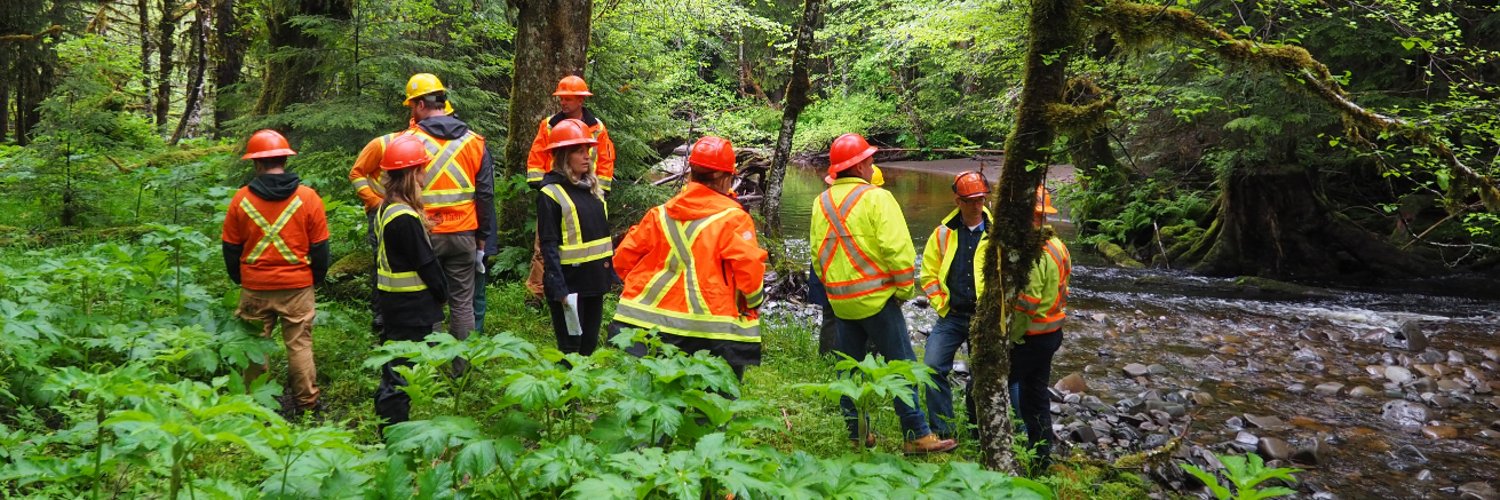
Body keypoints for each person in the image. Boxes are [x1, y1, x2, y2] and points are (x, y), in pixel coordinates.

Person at [811, 133, 956, 454]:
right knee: (901, 365)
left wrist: (835, 290)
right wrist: (903, 291)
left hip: (842, 302)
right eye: (871, 160)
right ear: (861, 165)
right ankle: (917, 433)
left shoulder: (820, 202)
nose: (872, 164)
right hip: (878, 300)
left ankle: (857, 433)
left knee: (848, 371)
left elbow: (817, 256)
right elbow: (900, 252)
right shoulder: (878, 198)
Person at [613, 136, 768, 380]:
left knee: (660, 399)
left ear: (691, 172)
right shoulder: (734, 219)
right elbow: (750, 273)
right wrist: (753, 303)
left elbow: (622, 260)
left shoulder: (659, 215)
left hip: (650, 329)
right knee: (710, 408)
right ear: (727, 178)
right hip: (714, 334)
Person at [221, 129, 329, 419]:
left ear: (256, 164)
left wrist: (240, 279)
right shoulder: (308, 198)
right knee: (300, 344)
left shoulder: (240, 199)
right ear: (285, 158)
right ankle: (307, 403)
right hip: (297, 286)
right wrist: (313, 279)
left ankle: (258, 404)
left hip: (255, 286)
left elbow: (230, 248)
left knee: (255, 346)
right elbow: (320, 248)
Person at [401, 73, 496, 366]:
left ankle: (430, 368)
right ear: (443, 102)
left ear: (419, 105)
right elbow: (485, 194)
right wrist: (484, 238)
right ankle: (461, 369)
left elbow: (398, 190)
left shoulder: (409, 142)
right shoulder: (474, 142)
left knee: (428, 301)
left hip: (423, 235)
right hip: (464, 235)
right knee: (463, 304)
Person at [371, 135, 450, 434]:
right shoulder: (404, 216)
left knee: (395, 366)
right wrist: (442, 293)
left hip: (396, 303)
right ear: (412, 173)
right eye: (422, 169)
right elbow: (425, 262)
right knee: (400, 372)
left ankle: (390, 424)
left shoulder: (387, 207)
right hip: (409, 306)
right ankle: (395, 433)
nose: (425, 174)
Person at [526, 75, 617, 300]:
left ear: (580, 101)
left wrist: (600, 191)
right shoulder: (549, 125)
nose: (563, 103)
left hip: (588, 191)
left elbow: (606, 159)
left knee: (587, 244)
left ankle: (586, 290)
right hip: (556, 191)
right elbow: (537, 154)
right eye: (561, 98)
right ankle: (536, 293)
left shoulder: (597, 128)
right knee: (544, 244)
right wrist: (542, 186)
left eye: (568, 99)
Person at [918, 171, 993, 440]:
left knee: (982, 376)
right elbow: (928, 274)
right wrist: (942, 305)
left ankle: (978, 432)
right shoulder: (942, 234)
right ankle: (943, 430)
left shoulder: (998, 234)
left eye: (980, 199)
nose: (977, 205)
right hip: (952, 316)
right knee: (932, 367)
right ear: (958, 201)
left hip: (985, 319)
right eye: (971, 200)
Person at [536, 119, 614, 356]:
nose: (586, 156)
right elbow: (548, 245)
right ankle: (566, 391)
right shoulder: (550, 193)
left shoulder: (593, 189)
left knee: (589, 345)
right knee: (572, 347)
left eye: (587, 150)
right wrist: (557, 285)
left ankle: (583, 391)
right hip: (569, 285)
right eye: (579, 152)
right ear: (563, 156)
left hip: (594, 281)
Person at [1007, 184, 1072, 463]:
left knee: (984, 387)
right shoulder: (1058, 245)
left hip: (1030, 337)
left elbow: (1027, 302)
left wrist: (1010, 335)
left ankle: (983, 445)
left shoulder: (1033, 250)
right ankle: (1041, 457)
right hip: (1052, 333)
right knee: (1036, 396)